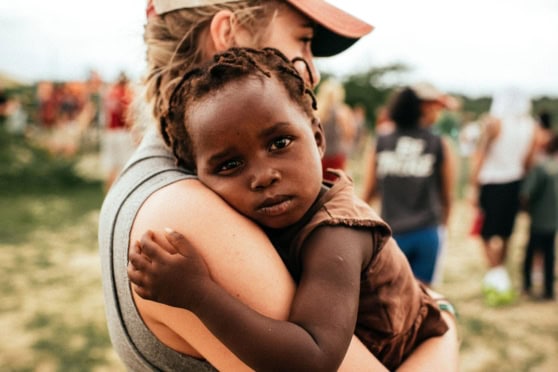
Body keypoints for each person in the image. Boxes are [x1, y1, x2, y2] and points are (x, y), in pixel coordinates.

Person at [99, 1, 459, 370]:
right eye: (302, 41)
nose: (314, 73)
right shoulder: (181, 210)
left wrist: (438, 319)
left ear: (317, 138)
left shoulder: (148, 178)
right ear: (229, 36)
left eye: (280, 144)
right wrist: (445, 326)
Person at [361, 84, 455, 286]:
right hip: (427, 231)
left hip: (390, 233)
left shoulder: (381, 141)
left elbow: (369, 191)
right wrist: (444, 227)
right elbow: (447, 194)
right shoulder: (437, 142)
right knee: (422, 298)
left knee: (390, 300)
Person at [470, 87, 537, 305]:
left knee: (485, 231)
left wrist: (473, 185)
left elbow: (480, 154)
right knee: (507, 231)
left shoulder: (494, 122)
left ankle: (496, 273)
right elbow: (528, 161)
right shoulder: (530, 125)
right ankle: (500, 275)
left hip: (491, 182)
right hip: (514, 182)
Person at [519, 134, 558, 301]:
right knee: (550, 254)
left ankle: (527, 285)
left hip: (539, 219)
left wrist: (525, 208)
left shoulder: (541, 168)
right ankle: (548, 290)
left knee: (530, 253)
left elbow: (526, 193)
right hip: (553, 219)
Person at [316, 78, 356, 181]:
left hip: (319, 155)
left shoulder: (317, 111)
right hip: (336, 155)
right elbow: (349, 134)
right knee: (335, 186)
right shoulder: (342, 111)